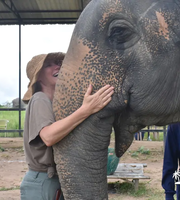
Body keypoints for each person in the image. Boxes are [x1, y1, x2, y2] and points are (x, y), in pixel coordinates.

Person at [20, 52, 114, 200]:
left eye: (58, 63)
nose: (57, 66)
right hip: (44, 181)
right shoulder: (40, 98)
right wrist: (86, 110)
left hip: (53, 179)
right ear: (38, 77)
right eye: (48, 65)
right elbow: (48, 136)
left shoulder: (56, 104)